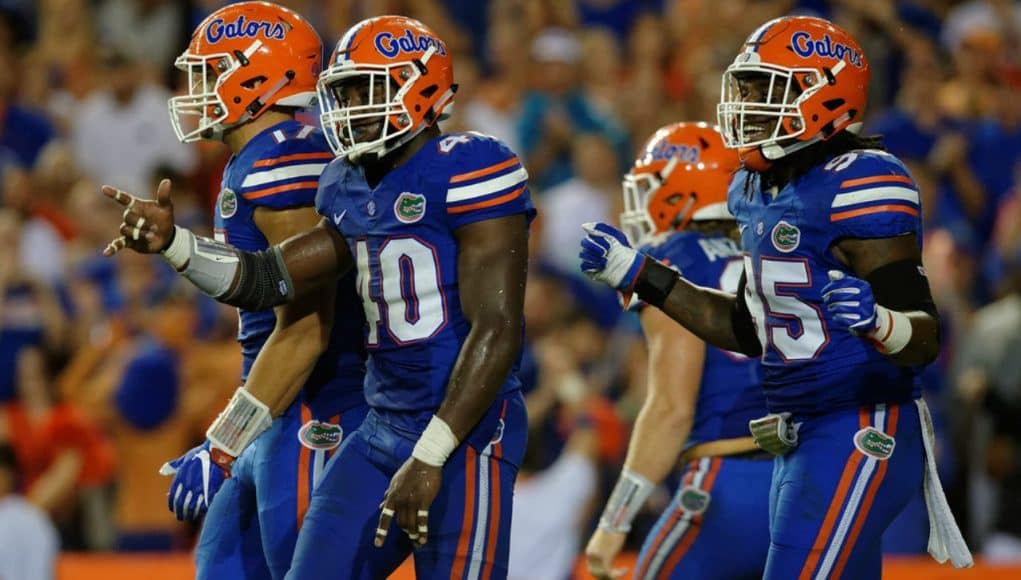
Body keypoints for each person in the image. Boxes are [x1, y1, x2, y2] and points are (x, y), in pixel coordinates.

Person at [104, 15, 533, 580]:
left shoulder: (471, 164)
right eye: (345, 92)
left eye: (367, 90)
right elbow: (266, 279)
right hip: (381, 423)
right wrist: (175, 244)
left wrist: (431, 452)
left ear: (420, 86)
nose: (351, 108)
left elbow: (497, 329)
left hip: (449, 422)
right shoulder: (344, 182)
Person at [579, 16, 972, 579]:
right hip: (799, 432)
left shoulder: (862, 179)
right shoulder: (754, 188)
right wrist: (639, 273)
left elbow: (924, 335)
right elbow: (744, 328)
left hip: (863, 423)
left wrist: (882, 322)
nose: (749, 104)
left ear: (824, 94)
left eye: (769, 90)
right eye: (749, 88)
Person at [103, 3, 367, 578]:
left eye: (208, 71)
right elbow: (257, 276)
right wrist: (176, 244)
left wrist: (222, 443)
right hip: (272, 412)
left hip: (315, 415)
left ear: (256, 77)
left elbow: (305, 330)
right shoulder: (256, 160)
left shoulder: (285, 160)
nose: (192, 88)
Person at [585, 122, 771, 580]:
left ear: (680, 189)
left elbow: (670, 408)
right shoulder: (764, 253)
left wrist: (612, 524)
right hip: (801, 483)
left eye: (651, 185)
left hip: (726, 484)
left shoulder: (672, 257)